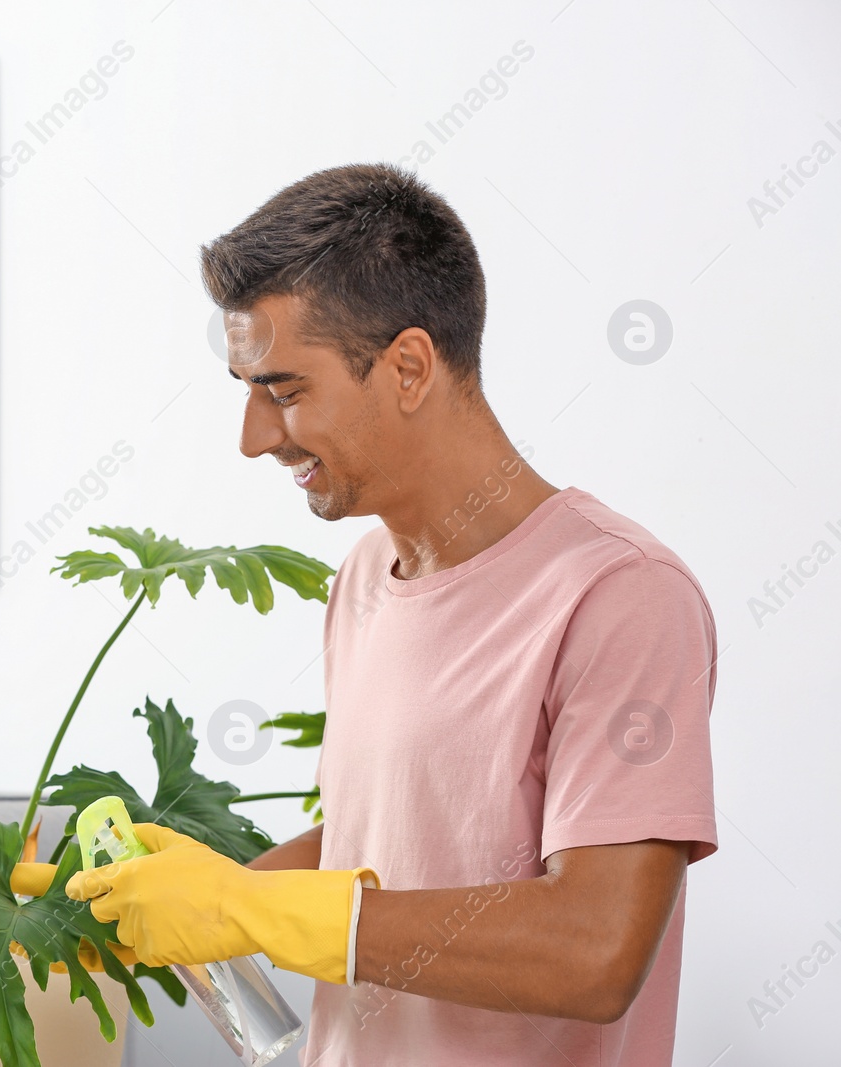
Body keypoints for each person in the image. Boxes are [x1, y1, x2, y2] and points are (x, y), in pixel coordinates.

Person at [59, 163, 719, 1066]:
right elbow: (400, 841)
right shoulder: (366, 577)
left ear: (408, 365)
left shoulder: (619, 595)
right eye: (247, 390)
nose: (254, 437)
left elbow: (594, 949)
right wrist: (200, 891)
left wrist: (252, 910)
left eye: (284, 391)